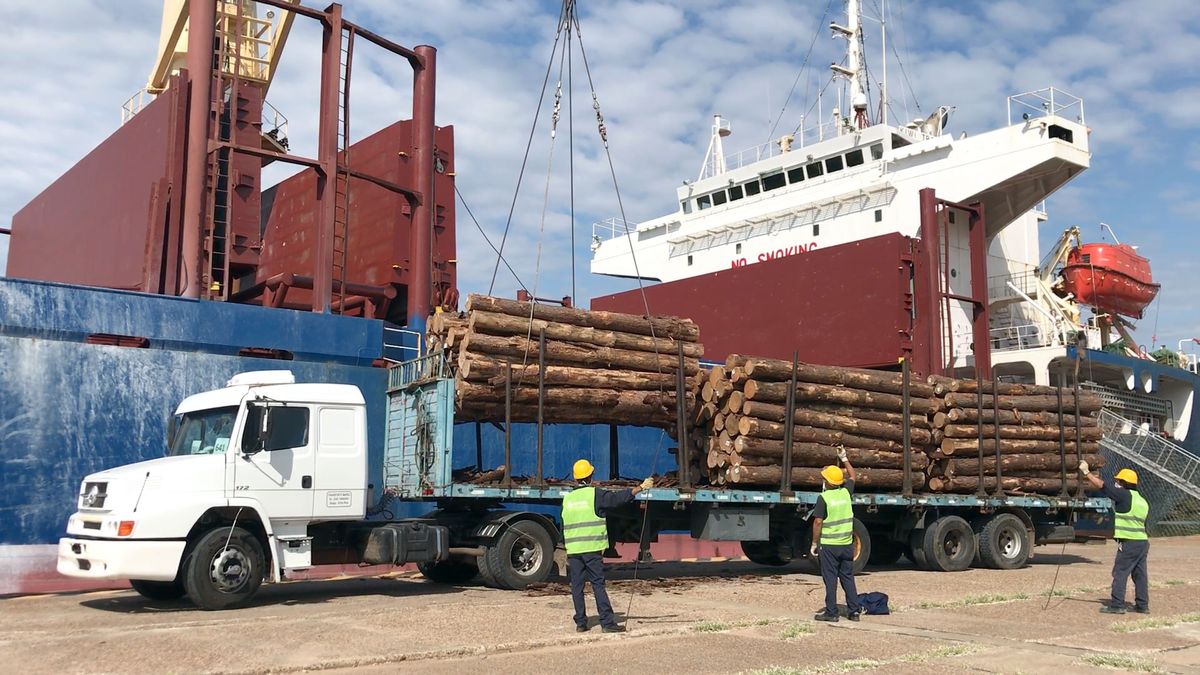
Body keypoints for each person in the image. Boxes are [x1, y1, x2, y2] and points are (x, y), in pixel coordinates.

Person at [562, 459, 653, 633]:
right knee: (597, 584)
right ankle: (607, 623)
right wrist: (640, 488)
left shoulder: (568, 499)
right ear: (590, 477)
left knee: (577, 587)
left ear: (576, 479)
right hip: (592, 548)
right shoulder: (595, 495)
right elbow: (617, 499)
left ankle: (581, 623)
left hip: (574, 550)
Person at [1080, 461, 1149, 614]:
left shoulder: (1124, 494)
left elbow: (1102, 486)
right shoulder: (1142, 501)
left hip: (1129, 542)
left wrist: (1086, 473)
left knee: (1120, 572)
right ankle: (1143, 606)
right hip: (1142, 542)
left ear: (1124, 483)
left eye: (1118, 481)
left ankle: (1117, 605)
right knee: (1140, 575)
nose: (1116, 483)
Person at [811, 449, 861, 622]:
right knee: (848, 577)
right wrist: (844, 458)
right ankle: (854, 611)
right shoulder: (846, 492)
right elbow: (853, 476)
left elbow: (818, 522)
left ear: (827, 482)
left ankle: (831, 613)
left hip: (829, 546)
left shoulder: (823, 498)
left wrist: (814, 543)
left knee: (830, 579)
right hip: (847, 545)